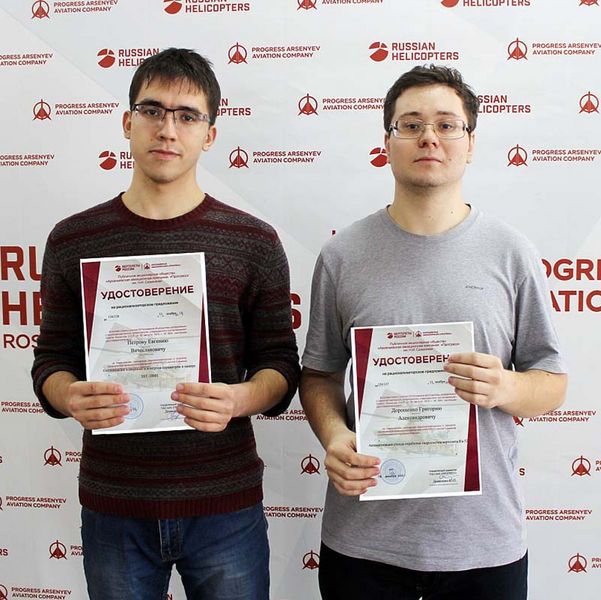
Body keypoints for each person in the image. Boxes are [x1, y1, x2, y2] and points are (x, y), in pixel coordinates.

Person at [32, 48, 299, 600]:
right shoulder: (73, 239)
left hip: (224, 504)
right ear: (127, 122)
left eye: (187, 115)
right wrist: (68, 394)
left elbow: (280, 366)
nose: (168, 129)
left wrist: (239, 399)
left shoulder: (253, 241)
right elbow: (51, 361)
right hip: (115, 504)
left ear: (210, 134)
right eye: (152, 110)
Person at [299, 65, 567, 600]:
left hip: (483, 546)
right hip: (363, 547)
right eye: (411, 124)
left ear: (471, 143)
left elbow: (552, 381)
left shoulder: (512, 253)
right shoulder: (342, 255)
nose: (429, 137)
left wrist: (507, 386)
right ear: (387, 142)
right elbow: (320, 375)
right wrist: (334, 436)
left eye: (447, 124)